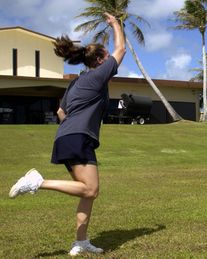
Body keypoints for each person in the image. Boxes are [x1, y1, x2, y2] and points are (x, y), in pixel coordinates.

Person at [8, 12, 126, 256]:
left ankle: (81, 242)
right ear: (102, 59)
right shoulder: (98, 76)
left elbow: (61, 112)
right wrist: (115, 24)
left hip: (66, 137)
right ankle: (37, 182)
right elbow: (121, 49)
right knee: (91, 190)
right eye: (107, 57)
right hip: (78, 137)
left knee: (86, 191)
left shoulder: (76, 82)